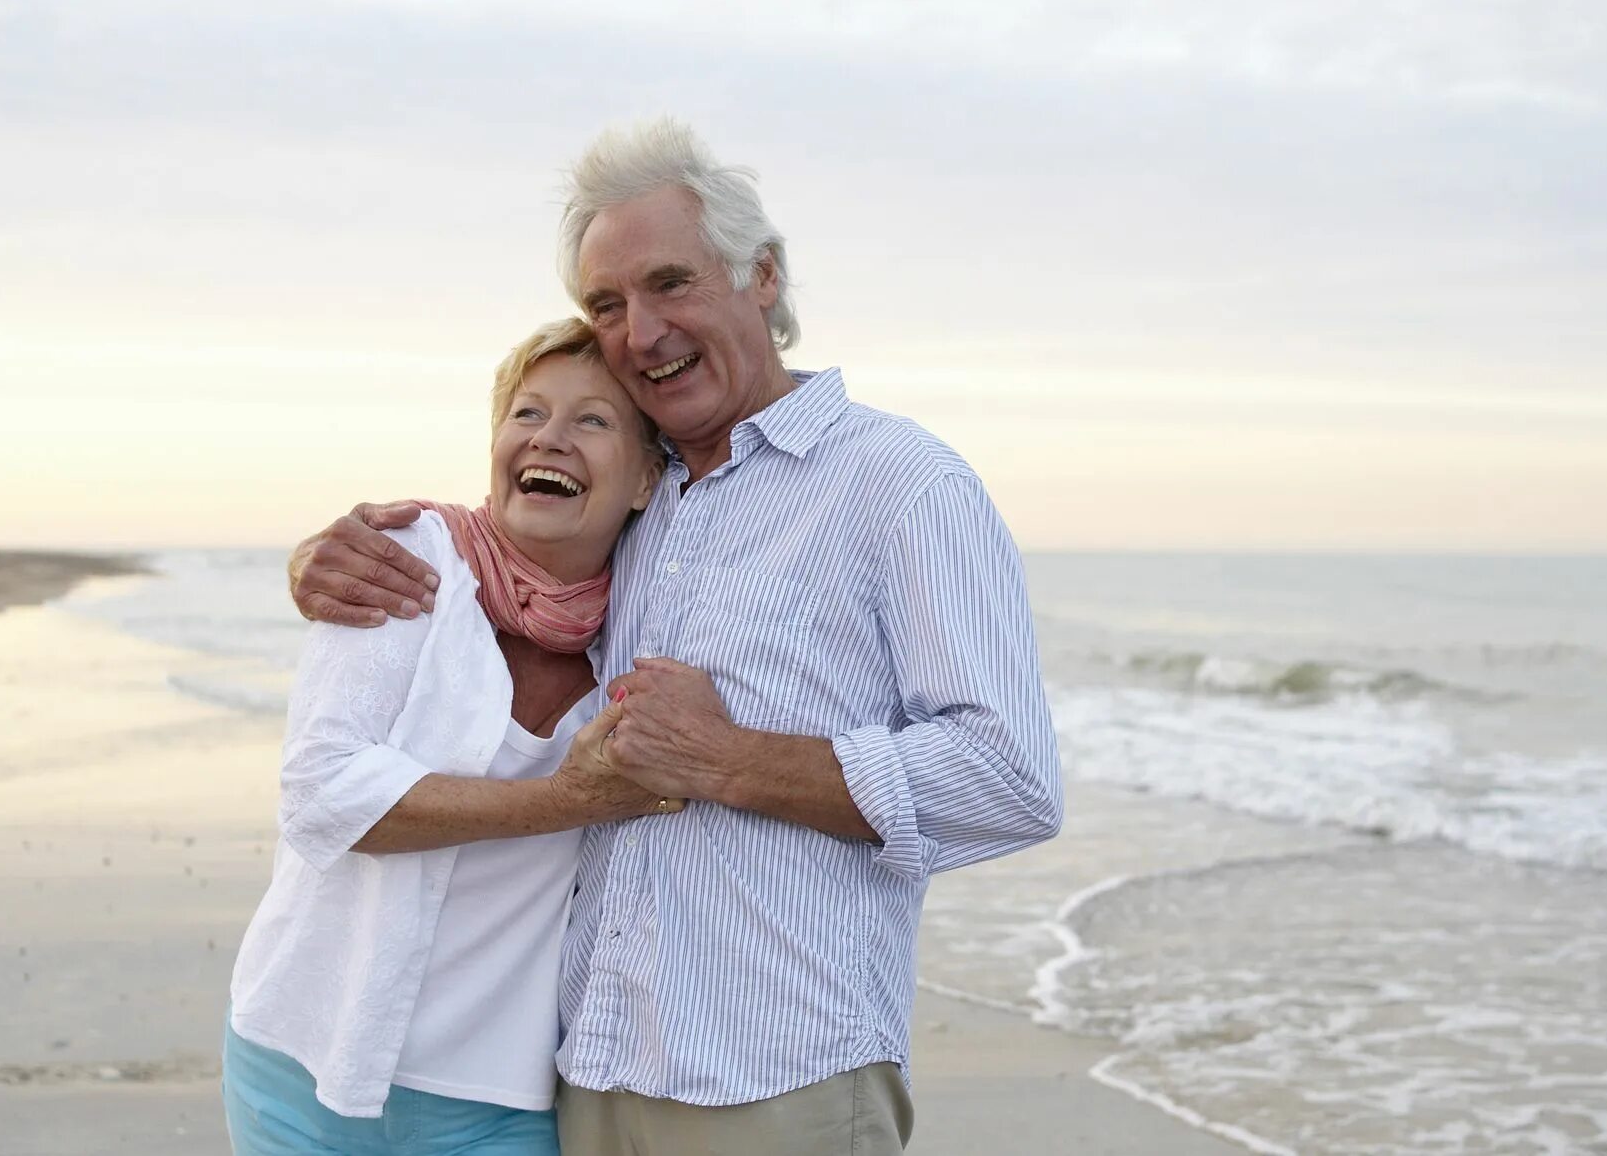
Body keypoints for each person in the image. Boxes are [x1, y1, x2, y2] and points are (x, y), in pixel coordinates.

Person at [289, 119, 1064, 1155]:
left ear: (763, 277)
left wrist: (730, 757)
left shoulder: (902, 486)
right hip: (585, 1070)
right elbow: (507, 567)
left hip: (774, 1080)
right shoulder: (642, 498)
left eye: (670, 283)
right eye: (605, 304)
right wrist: (322, 559)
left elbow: (1008, 777)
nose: (639, 330)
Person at [226, 319, 673, 1156]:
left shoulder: (656, 623)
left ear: (646, 475)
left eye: (592, 420)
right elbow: (323, 797)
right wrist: (560, 801)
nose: (549, 437)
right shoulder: (406, 559)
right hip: (296, 1046)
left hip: (497, 1094)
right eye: (527, 413)